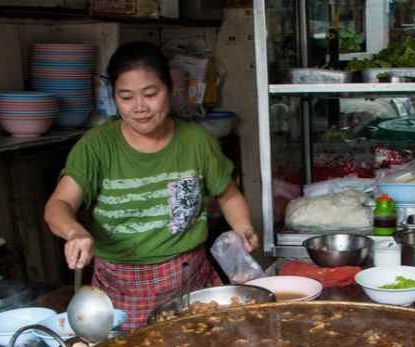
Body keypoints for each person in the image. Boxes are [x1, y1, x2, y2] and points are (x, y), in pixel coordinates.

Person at [44, 41, 259, 329]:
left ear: (169, 90)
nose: (140, 108)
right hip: (121, 291)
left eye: (150, 94)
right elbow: (58, 205)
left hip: (191, 281)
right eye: (126, 97)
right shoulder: (96, 146)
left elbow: (228, 195)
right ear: (114, 98)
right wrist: (74, 232)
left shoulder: (197, 141)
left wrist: (243, 228)